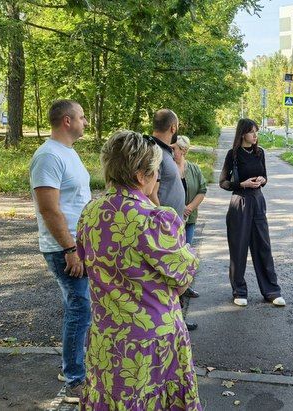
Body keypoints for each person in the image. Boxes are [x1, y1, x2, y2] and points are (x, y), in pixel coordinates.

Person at [76, 130, 202, 410]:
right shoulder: (157, 219)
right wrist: (191, 253)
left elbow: (89, 268)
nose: (158, 177)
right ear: (140, 175)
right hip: (151, 345)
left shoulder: (90, 213)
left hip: (106, 342)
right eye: (156, 171)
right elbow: (181, 283)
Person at [29, 99, 91, 403]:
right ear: (67, 121)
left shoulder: (67, 152)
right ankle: (74, 380)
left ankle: (73, 366)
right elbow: (49, 209)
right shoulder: (48, 156)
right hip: (64, 247)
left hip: (78, 244)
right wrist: (70, 248)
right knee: (80, 308)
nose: (86, 122)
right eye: (81, 117)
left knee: (79, 307)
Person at [219, 118, 285, 307]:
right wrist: (241, 184)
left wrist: (262, 180)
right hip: (240, 201)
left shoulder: (260, 152)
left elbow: (265, 176)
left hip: (258, 201)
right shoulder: (233, 155)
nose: (255, 135)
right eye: (252, 132)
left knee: (263, 246)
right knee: (238, 248)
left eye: (256, 131)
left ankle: (271, 291)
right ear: (242, 134)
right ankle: (239, 290)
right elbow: (223, 182)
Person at [148, 109, 199, 329]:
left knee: (173, 277)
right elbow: (151, 191)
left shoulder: (163, 150)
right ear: (173, 128)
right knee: (168, 277)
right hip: (163, 228)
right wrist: (164, 220)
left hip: (172, 224)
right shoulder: (154, 151)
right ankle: (171, 323)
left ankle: (175, 320)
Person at [172, 135, 207, 246]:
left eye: (174, 148)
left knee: (187, 251)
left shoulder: (194, 169)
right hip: (171, 219)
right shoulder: (168, 168)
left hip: (189, 218)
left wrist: (189, 208)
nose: (171, 151)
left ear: (183, 150)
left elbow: (202, 190)